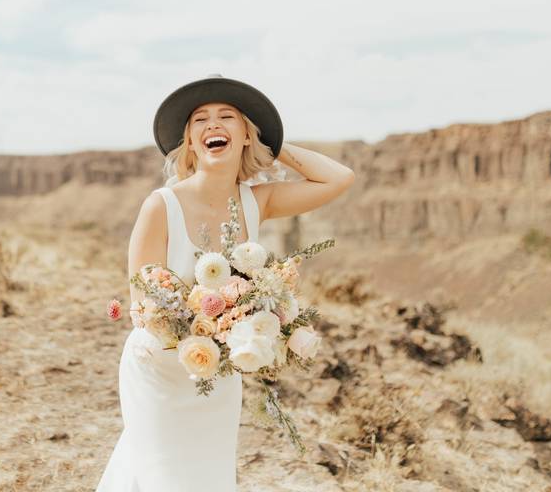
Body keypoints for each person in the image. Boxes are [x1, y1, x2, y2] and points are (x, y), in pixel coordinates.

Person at [95, 74, 357, 491]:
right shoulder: (160, 205)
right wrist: (204, 327)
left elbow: (339, 178)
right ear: (191, 140)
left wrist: (274, 144)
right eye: (200, 119)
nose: (212, 125)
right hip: (159, 371)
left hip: (218, 376)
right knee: (161, 475)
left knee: (206, 478)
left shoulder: (258, 200)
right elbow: (140, 307)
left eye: (227, 117)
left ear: (245, 134)